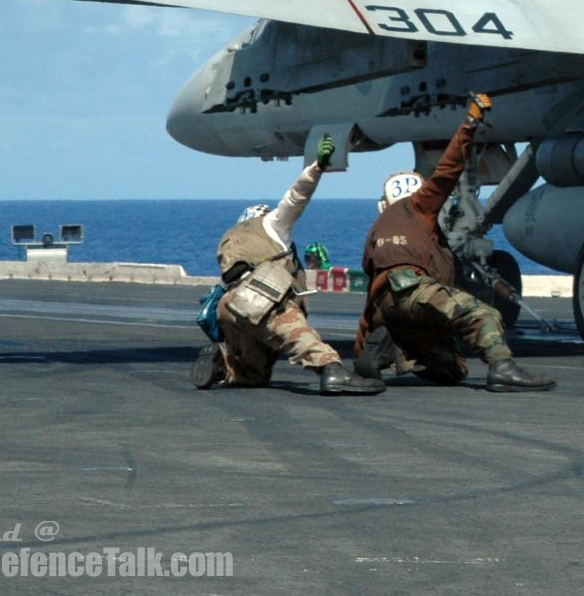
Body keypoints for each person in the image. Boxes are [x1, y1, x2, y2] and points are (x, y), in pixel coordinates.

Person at [354, 94, 555, 392]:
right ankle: (502, 368)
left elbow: (371, 292)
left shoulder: (376, 230)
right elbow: (448, 170)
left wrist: (360, 351)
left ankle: (379, 352)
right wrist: (470, 123)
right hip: (416, 293)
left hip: (387, 310)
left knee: (452, 369)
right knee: (484, 314)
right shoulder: (419, 205)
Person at [191, 135, 384, 395]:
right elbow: (296, 197)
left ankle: (223, 366)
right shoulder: (271, 224)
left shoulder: (229, 237)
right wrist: (318, 166)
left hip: (229, 308)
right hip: (260, 296)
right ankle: (332, 371)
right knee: (298, 334)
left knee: (254, 372)